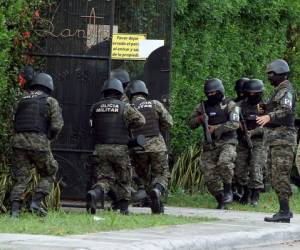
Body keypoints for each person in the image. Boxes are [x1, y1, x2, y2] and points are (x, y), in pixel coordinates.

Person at [86, 78, 145, 215]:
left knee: (105, 178)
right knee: (124, 178)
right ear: (119, 91)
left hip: (100, 148)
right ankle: (124, 209)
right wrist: (128, 124)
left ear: (104, 92)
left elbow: (92, 126)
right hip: (120, 149)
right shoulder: (124, 106)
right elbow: (141, 121)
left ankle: (94, 193)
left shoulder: (95, 107)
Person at [10, 73, 64, 217]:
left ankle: (14, 212)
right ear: (49, 86)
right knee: (50, 172)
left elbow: (14, 122)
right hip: (39, 143)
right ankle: (35, 202)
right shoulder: (50, 101)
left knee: (21, 178)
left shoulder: (21, 100)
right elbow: (56, 126)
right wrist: (49, 138)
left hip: (18, 143)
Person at [189, 78, 240, 209]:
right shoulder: (202, 106)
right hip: (210, 145)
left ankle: (228, 190)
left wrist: (216, 128)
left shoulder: (231, 104)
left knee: (225, 162)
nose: (211, 95)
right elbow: (190, 123)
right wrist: (200, 119)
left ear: (220, 91)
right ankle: (221, 199)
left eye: (214, 93)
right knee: (209, 175)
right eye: (209, 93)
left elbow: (235, 123)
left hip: (228, 142)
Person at [257, 59, 296, 223]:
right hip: (274, 139)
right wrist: (266, 108)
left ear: (280, 74)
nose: (269, 78)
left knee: (280, 174)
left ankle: (285, 211)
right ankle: (284, 210)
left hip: (283, 140)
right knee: (273, 175)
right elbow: (277, 107)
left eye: (271, 75)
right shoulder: (278, 90)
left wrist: (269, 116)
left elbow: (286, 109)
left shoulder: (286, 90)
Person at [128, 80, 173, 214]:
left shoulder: (129, 106)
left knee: (144, 177)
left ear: (131, 93)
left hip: (138, 147)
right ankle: (157, 191)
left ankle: (152, 201)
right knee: (161, 174)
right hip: (157, 146)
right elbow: (169, 123)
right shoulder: (155, 104)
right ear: (145, 92)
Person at [234, 79, 266, 206]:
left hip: (258, 141)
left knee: (255, 167)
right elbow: (232, 120)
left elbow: (267, 126)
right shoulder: (239, 106)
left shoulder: (263, 106)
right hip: (242, 142)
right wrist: (239, 126)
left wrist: (252, 132)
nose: (252, 96)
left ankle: (255, 196)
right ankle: (246, 192)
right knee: (239, 169)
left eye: (255, 93)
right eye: (250, 93)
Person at [232, 77, 249, 201]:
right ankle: (237, 190)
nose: (241, 93)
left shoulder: (257, 103)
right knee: (237, 166)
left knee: (253, 167)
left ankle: (249, 192)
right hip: (237, 138)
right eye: (239, 91)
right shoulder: (234, 104)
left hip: (253, 137)